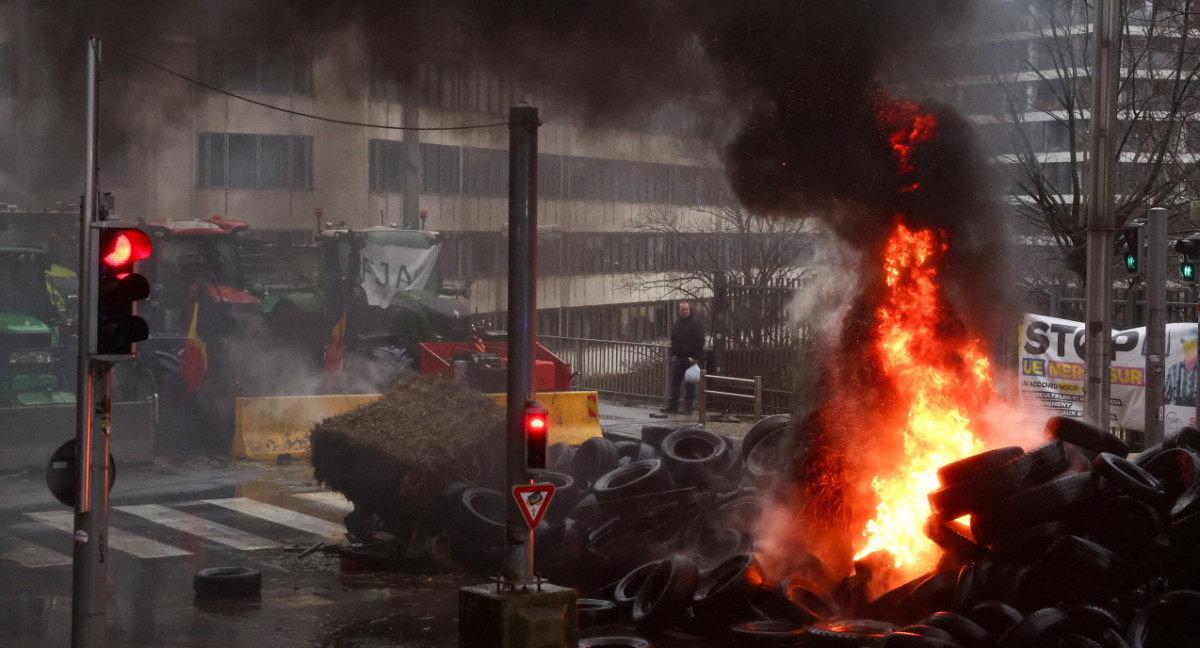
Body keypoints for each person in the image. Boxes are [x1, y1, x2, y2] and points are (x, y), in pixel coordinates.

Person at [661, 301, 705, 415]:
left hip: (690, 359)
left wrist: (695, 357)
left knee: (689, 384)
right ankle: (673, 406)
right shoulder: (677, 323)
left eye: (686, 309)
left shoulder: (696, 323)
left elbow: (700, 341)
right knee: (675, 382)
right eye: (683, 309)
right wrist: (674, 354)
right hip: (679, 357)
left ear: (689, 310)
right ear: (679, 311)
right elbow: (673, 339)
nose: (685, 311)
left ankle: (688, 407)